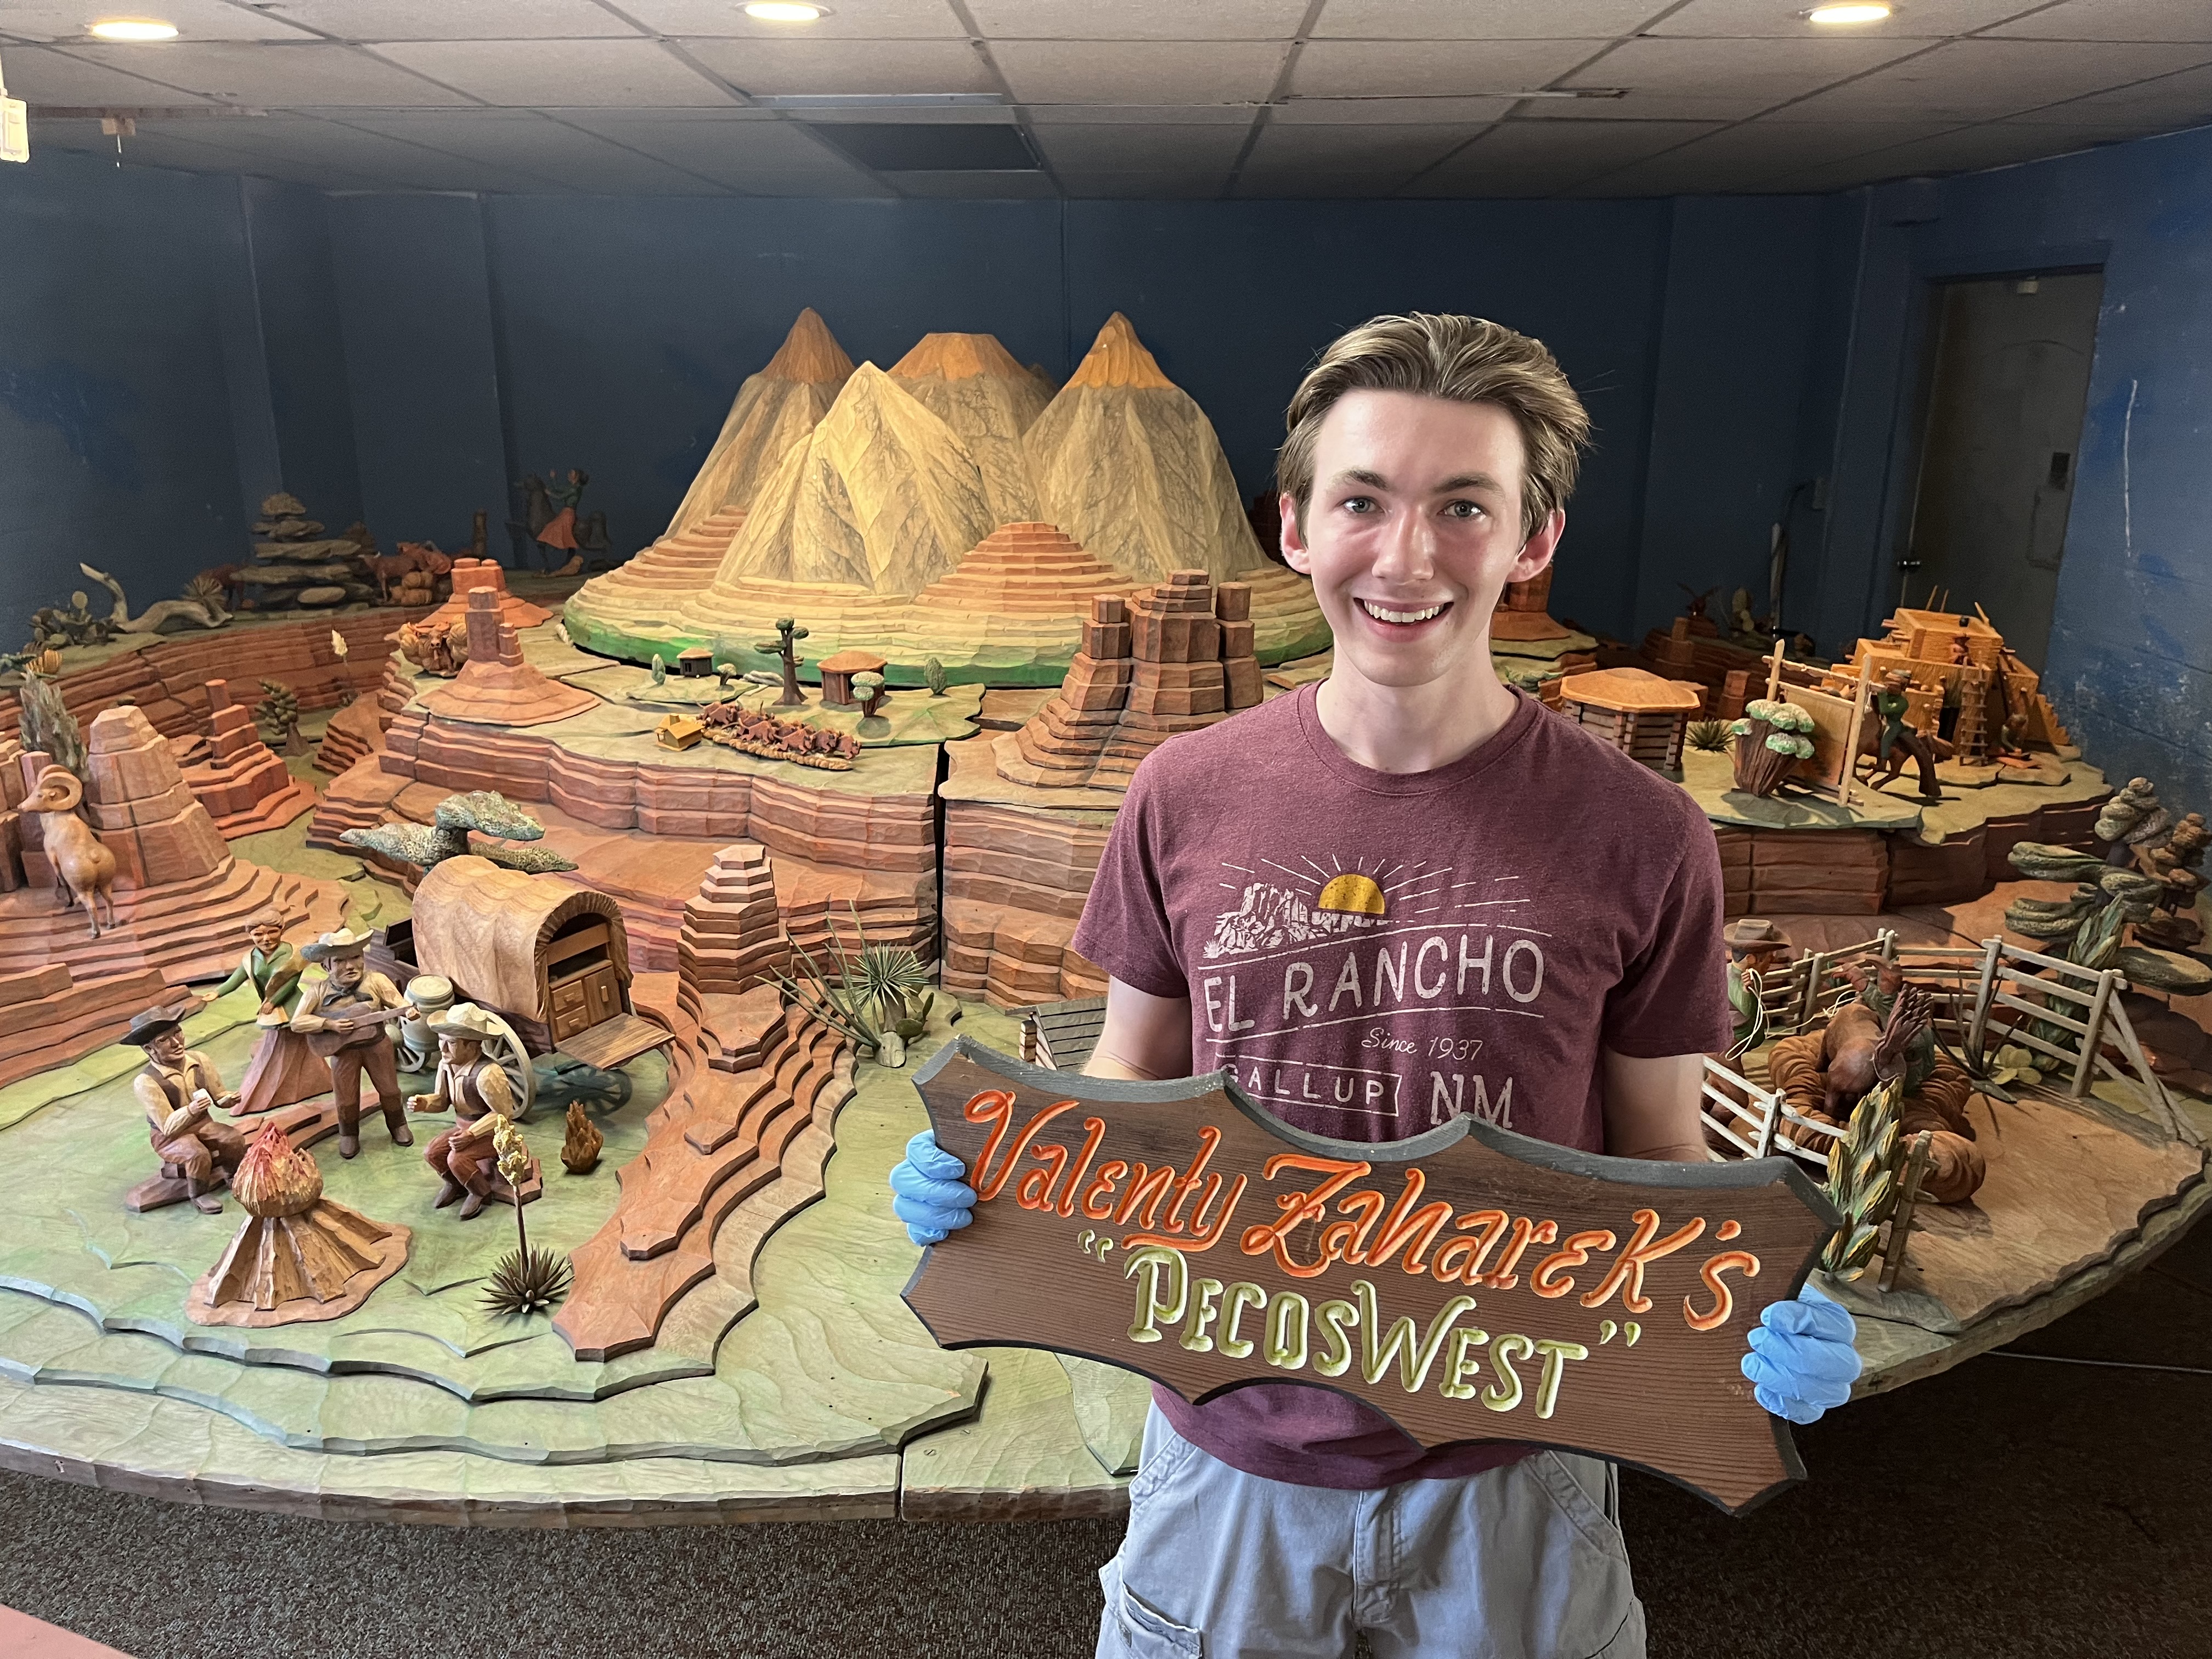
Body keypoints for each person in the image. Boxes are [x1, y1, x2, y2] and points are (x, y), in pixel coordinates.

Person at [890, 314, 1861, 1658]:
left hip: (1521, 1461)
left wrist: (1757, 1292)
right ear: (1294, 525)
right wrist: (1004, 1170)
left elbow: (1661, 1149)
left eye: (1464, 506)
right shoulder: (1183, 794)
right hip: (1225, 1448)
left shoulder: (1644, 834)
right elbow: (1134, 1077)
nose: (1406, 557)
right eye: (1364, 500)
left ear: (1534, 541)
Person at [290, 928, 412, 1159]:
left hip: (377, 1045)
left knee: (389, 1089)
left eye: (356, 957)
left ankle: (398, 1124)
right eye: (340, 961)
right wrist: (328, 1024)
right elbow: (297, 1023)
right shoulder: (317, 991)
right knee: (346, 1097)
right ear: (326, 966)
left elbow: (398, 1002)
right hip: (343, 1052)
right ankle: (349, 1134)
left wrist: (409, 1011)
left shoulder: (377, 980)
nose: (350, 966)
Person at [127, 1005, 247, 1215]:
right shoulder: (146, 1082)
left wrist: (229, 1099)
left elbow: (219, 1096)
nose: (176, 1043)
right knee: (196, 1153)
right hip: (170, 1137)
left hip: (202, 1124)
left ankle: (235, 1176)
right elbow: (167, 1127)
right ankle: (199, 1194)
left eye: (177, 1033)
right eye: (164, 1040)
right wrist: (191, 1110)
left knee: (233, 1138)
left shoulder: (199, 1060)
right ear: (149, 1049)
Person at [408, 1002, 523, 1220]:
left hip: (491, 1134)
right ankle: (456, 1184)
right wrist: (425, 1103)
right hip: (463, 1130)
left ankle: (481, 1192)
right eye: (441, 1040)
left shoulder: (488, 1074)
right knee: (432, 1152)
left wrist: (472, 1134)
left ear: (472, 1047)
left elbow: (503, 1115)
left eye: (451, 1043)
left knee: (457, 1159)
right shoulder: (446, 1066)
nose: (442, 1049)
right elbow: (442, 1101)